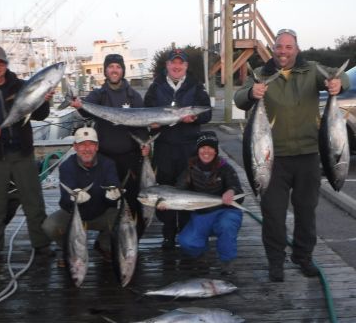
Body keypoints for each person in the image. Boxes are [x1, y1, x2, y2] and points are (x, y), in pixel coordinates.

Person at [234, 28, 350, 282]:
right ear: (273, 49)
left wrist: (339, 83)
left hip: (308, 155)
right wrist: (251, 94)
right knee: (273, 213)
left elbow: (342, 79)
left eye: (288, 47)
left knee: (306, 210)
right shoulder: (260, 75)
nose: (283, 51)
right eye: (279, 47)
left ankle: (303, 257)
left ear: (296, 49)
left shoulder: (311, 70)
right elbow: (240, 97)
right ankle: (276, 262)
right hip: (271, 159)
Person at [0, 45, 54, 264]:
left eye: (0, 63)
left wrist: (45, 98)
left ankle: (41, 245)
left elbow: (40, 115)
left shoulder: (21, 85)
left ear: (6, 64)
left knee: (34, 201)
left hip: (22, 152)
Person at [71, 54, 149, 238]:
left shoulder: (133, 95)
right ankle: (107, 240)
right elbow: (86, 111)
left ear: (123, 70)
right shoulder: (98, 94)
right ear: (106, 70)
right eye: (111, 66)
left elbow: (142, 124)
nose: (114, 70)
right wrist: (78, 106)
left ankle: (135, 238)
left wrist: (145, 144)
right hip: (105, 158)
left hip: (130, 157)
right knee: (107, 199)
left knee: (132, 199)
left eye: (118, 67)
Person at [144, 48, 212, 249]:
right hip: (164, 148)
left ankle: (185, 231)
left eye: (180, 63)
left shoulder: (197, 87)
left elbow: (207, 113)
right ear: (167, 65)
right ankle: (168, 233)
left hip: (189, 149)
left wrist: (195, 118)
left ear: (186, 66)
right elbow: (146, 113)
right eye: (173, 63)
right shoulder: (155, 87)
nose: (176, 66)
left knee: (187, 190)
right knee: (163, 190)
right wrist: (151, 124)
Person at [42, 127, 121, 261]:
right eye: (82, 145)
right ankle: (69, 249)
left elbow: (113, 184)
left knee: (122, 221)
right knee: (50, 226)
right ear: (75, 147)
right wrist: (74, 197)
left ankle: (103, 245)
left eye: (91, 144)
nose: (87, 149)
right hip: (73, 215)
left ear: (97, 147)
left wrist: (114, 194)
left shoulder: (108, 163)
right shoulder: (66, 166)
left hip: (100, 213)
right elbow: (65, 200)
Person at [174, 131, 243, 270]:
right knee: (185, 241)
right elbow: (178, 191)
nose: (206, 151)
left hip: (225, 211)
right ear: (197, 150)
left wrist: (231, 191)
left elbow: (238, 190)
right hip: (201, 214)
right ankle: (201, 253)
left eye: (210, 148)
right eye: (203, 147)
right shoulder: (189, 168)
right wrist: (166, 203)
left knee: (227, 225)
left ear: (216, 151)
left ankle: (227, 261)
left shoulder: (226, 167)